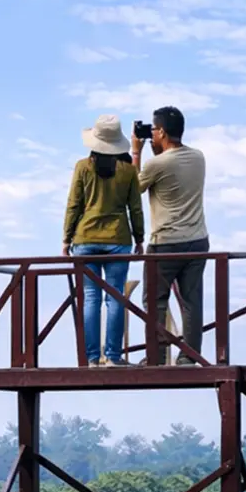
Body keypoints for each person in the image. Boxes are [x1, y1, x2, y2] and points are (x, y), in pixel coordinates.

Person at [63, 115, 145, 367]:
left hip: (85, 239)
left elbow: (73, 205)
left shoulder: (82, 167)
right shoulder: (129, 171)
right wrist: (140, 238)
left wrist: (66, 239)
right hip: (118, 239)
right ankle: (112, 356)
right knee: (116, 297)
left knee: (90, 298)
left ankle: (90, 358)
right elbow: (135, 208)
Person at [131, 105, 208, 366]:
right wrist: (157, 151)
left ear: (162, 131)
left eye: (153, 130)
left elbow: (133, 189)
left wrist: (136, 152)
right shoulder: (199, 157)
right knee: (191, 301)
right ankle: (189, 355)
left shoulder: (156, 163)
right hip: (198, 240)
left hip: (166, 243)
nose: (150, 133)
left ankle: (157, 354)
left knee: (154, 300)